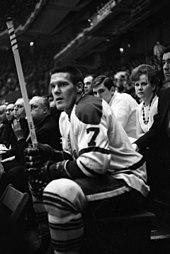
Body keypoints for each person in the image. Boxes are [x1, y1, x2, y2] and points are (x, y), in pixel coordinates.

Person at [25, 66, 149, 254]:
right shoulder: (64, 118)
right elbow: (78, 157)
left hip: (128, 180)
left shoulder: (87, 107)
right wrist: (51, 154)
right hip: (105, 178)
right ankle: (48, 240)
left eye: (63, 85)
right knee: (34, 177)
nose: (56, 90)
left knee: (59, 193)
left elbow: (95, 164)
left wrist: (53, 169)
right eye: (53, 86)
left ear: (79, 87)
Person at [134, 46, 170, 200]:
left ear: (153, 85)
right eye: (163, 63)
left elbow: (156, 131)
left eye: (169, 62)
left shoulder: (160, 97)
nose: (166, 67)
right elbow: (155, 128)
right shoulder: (165, 93)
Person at [92, 74, 138, 141]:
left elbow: (114, 132)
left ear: (112, 90)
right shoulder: (105, 105)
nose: (98, 96)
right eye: (95, 93)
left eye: (101, 91)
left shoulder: (122, 99)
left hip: (137, 145)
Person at [131, 64, 158, 138]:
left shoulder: (158, 103)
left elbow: (158, 134)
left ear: (153, 86)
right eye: (137, 84)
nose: (139, 88)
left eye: (143, 84)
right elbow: (138, 135)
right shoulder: (139, 108)